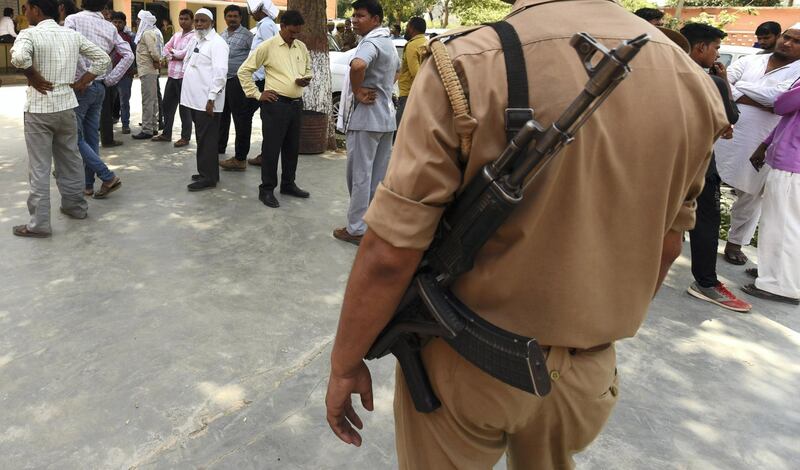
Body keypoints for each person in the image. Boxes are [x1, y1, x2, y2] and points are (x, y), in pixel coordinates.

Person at [324, 0, 728, 467]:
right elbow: (668, 243)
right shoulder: (694, 80)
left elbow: (391, 253)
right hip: (587, 374)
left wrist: (344, 364)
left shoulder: (470, 60)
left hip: (467, 368)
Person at [10, 0, 109, 237]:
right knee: (71, 161)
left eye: (26, 9)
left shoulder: (29, 34)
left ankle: (39, 224)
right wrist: (84, 80)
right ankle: (75, 208)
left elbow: (19, 59)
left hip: (39, 108)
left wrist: (32, 75)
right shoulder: (70, 35)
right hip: (67, 105)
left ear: (36, 10)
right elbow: (103, 59)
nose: (25, 14)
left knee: (40, 167)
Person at [677, 23, 752, 313]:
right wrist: (725, 87)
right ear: (700, 48)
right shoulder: (714, 82)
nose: (717, 54)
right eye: (716, 48)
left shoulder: (660, 73)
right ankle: (706, 283)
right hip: (699, 165)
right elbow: (729, 118)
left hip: (660, 162)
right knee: (705, 221)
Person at [715, 25, 800, 265]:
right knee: (704, 180)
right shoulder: (750, 61)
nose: (788, 43)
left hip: (761, 139)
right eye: (787, 37)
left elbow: (779, 100)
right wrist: (758, 97)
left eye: (796, 41)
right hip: (725, 131)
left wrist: (736, 91)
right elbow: (721, 86)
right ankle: (683, 229)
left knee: (751, 194)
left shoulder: (798, 73)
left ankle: (735, 243)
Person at [333, 0, 400, 245]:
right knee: (377, 177)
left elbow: (358, 64)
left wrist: (359, 90)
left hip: (366, 119)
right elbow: (398, 71)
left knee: (360, 177)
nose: (354, 19)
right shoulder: (388, 43)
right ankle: (372, 224)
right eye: (353, 15)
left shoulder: (372, 42)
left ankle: (356, 229)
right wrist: (382, 89)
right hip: (385, 118)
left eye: (360, 15)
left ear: (376, 19)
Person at [238, 10, 311, 208]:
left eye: (298, 33)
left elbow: (308, 68)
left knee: (292, 148)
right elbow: (244, 71)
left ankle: (288, 184)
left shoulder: (301, 47)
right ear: (282, 26)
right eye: (291, 32)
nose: (294, 36)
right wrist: (257, 94)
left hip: (296, 105)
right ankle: (267, 189)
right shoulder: (267, 46)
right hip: (275, 105)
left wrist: (305, 78)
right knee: (271, 149)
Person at [64, 0, 132, 198]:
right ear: (104, 6)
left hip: (80, 86)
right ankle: (87, 184)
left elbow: (68, 49)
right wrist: (110, 79)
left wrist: (81, 78)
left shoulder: (72, 19)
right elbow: (128, 55)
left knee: (74, 137)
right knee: (91, 137)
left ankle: (107, 176)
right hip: (100, 85)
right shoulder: (109, 27)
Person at [744, 76, 800, 305]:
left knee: (785, 227)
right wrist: (765, 144)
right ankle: (772, 273)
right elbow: (789, 117)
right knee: (777, 223)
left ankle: (782, 285)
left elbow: (781, 105)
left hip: (793, 167)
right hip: (788, 163)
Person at [180, 8, 228, 191]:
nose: (199, 24)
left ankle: (209, 178)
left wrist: (211, 98)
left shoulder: (217, 44)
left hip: (207, 102)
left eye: (203, 21)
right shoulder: (197, 39)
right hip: (194, 100)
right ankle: (206, 171)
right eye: (197, 21)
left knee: (207, 140)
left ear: (212, 23)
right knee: (202, 138)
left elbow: (220, 74)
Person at [217, 5, 256, 170]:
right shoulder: (221, 35)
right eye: (229, 16)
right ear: (225, 18)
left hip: (238, 82)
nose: (232, 19)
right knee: (222, 117)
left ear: (240, 18)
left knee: (240, 120)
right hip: (222, 82)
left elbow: (255, 58)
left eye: (235, 16)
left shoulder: (248, 36)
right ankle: (219, 148)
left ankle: (241, 157)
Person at [242, 0, 280, 167]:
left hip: (262, 80)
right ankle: (263, 155)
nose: (251, 14)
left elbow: (271, 52)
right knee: (262, 119)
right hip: (260, 79)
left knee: (249, 116)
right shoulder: (266, 24)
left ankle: (247, 156)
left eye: (253, 11)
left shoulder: (265, 26)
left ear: (261, 11)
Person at [151, 8, 194, 147]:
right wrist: (174, 54)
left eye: (186, 19)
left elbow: (184, 54)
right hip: (172, 75)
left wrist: (173, 54)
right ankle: (166, 134)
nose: (183, 21)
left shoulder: (194, 37)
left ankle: (185, 137)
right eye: (181, 18)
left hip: (184, 76)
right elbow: (165, 49)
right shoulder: (176, 35)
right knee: (167, 105)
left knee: (184, 108)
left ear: (192, 20)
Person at [132, 9, 163, 140]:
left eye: (139, 20)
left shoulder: (147, 33)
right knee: (153, 100)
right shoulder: (147, 33)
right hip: (148, 70)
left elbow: (154, 51)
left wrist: (157, 61)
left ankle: (147, 129)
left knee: (148, 101)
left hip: (148, 70)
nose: (137, 22)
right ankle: (153, 127)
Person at [396, 16, 426, 126]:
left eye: (407, 26)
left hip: (408, 94)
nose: (406, 29)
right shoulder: (427, 42)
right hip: (422, 94)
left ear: (412, 28)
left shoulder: (412, 45)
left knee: (400, 130)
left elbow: (416, 73)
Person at [111, 11, 135, 135]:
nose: (117, 24)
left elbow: (133, 54)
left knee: (124, 100)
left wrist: (134, 69)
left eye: (120, 22)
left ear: (124, 23)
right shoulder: (108, 35)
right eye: (115, 22)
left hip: (126, 73)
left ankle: (125, 124)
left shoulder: (129, 36)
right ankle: (107, 122)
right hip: (110, 73)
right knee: (109, 100)